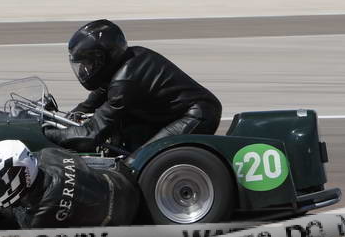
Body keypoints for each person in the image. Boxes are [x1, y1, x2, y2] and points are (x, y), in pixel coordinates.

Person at [44, 20, 222, 153]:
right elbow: (88, 105)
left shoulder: (124, 81)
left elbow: (91, 134)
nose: (85, 69)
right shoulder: (120, 65)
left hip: (196, 114)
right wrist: (60, 120)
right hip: (166, 114)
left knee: (138, 163)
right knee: (123, 141)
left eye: (89, 63)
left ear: (103, 58)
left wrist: (46, 133)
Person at [0, 139, 138, 228]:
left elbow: (17, 216)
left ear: (17, 175)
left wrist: (8, 210)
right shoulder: (49, 153)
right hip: (121, 182)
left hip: (123, 219)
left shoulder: (38, 218)